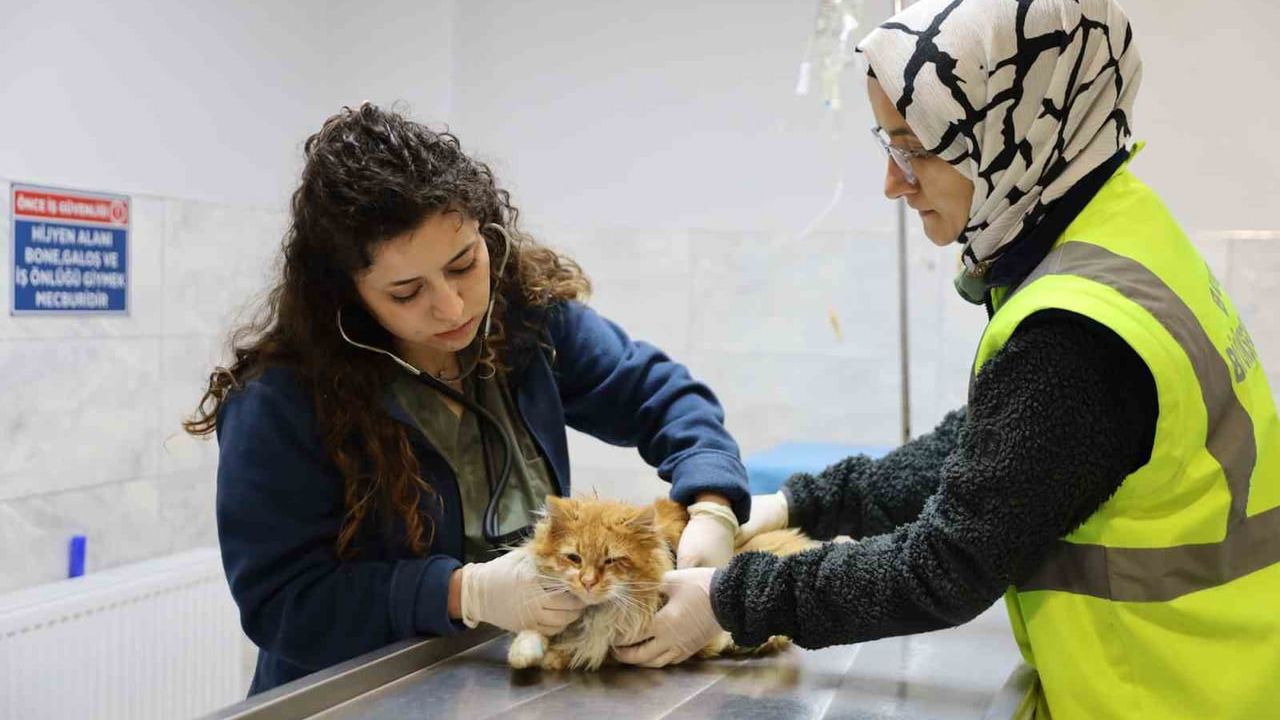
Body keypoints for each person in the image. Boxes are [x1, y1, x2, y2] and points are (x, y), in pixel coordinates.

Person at [613, 1, 1280, 717]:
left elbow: (944, 567)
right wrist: (793, 504)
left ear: (1012, 128)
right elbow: (989, 443)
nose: (894, 182)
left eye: (917, 148)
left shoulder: (1077, 333)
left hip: (1170, 694)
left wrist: (730, 601)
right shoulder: (1118, 230)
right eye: (889, 146)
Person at [185, 104, 750, 694]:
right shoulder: (279, 403)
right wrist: (462, 592)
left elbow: (664, 397)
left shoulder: (529, 324)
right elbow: (284, 605)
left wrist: (712, 503)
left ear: (489, 234)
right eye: (407, 292)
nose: (453, 308)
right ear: (346, 296)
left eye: (464, 264)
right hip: (362, 694)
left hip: (504, 682)